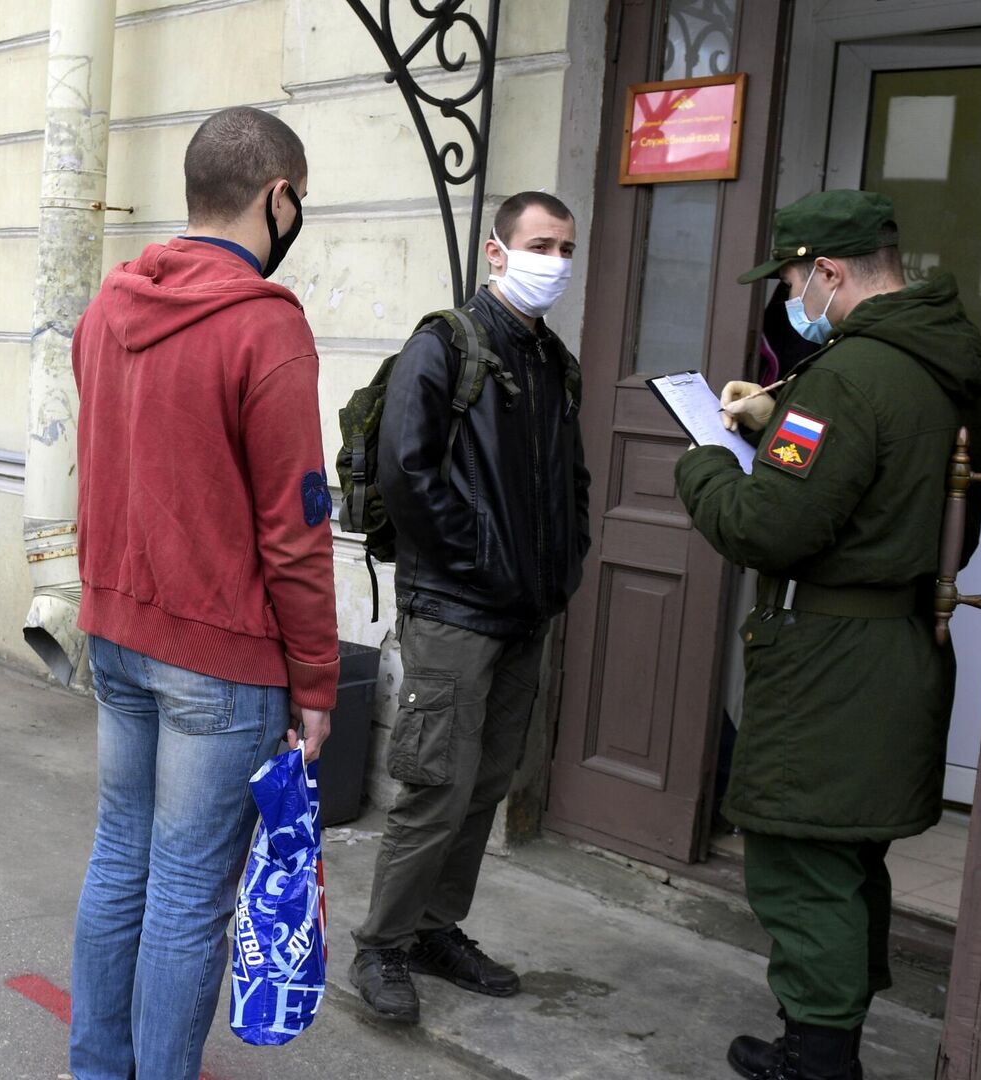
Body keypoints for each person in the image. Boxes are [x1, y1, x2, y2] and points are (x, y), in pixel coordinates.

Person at [674, 190, 981, 1080]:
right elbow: (898, 491)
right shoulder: (943, 363)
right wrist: (776, 425)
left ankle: (817, 1062)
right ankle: (822, 1035)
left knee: (800, 863)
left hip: (831, 667)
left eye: (787, 278)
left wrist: (705, 458)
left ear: (827, 272)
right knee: (851, 858)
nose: (786, 298)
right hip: (897, 651)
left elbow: (767, 528)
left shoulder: (847, 376)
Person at [66, 106, 337, 1080]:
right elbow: (297, 529)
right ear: (277, 197)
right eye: (298, 201)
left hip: (117, 629)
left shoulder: (108, 309)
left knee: (120, 862)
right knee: (186, 889)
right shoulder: (267, 328)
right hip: (217, 656)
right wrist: (317, 682)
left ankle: (97, 1068)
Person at [348, 191, 592, 1025]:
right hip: (455, 611)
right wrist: (485, 564)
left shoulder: (554, 362)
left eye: (566, 248)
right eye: (540, 245)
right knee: (433, 789)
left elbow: (572, 483)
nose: (554, 262)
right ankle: (379, 945)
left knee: (484, 787)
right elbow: (405, 477)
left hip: (525, 614)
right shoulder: (445, 345)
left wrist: (562, 569)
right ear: (496, 252)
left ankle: (434, 928)